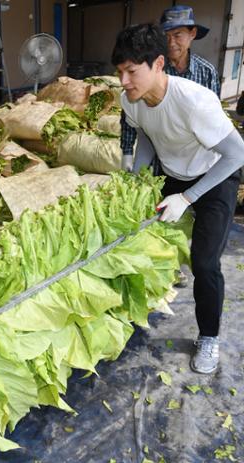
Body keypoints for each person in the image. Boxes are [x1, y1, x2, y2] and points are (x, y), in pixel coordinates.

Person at [112, 24, 244, 374]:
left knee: (205, 263)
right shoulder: (131, 100)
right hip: (175, 174)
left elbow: (237, 154)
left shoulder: (195, 102)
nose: (124, 81)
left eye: (131, 71)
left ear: (157, 64)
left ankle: (209, 337)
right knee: (145, 232)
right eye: (120, 72)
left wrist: (187, 198)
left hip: (215, 177)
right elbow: (148, 138)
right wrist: (138, 181)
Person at [120, 5, 220, 288]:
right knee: (164, 217)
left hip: (200, 159)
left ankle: (198, 259)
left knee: (200, 222)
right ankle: (170, 265)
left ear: (192, 35)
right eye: (167, 35)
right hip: (166, 160)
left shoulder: (206, 73)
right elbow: (133, 122)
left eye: (179, 34)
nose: (173, 41)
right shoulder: (148, 73)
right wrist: (128, 153)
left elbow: (212, 119)